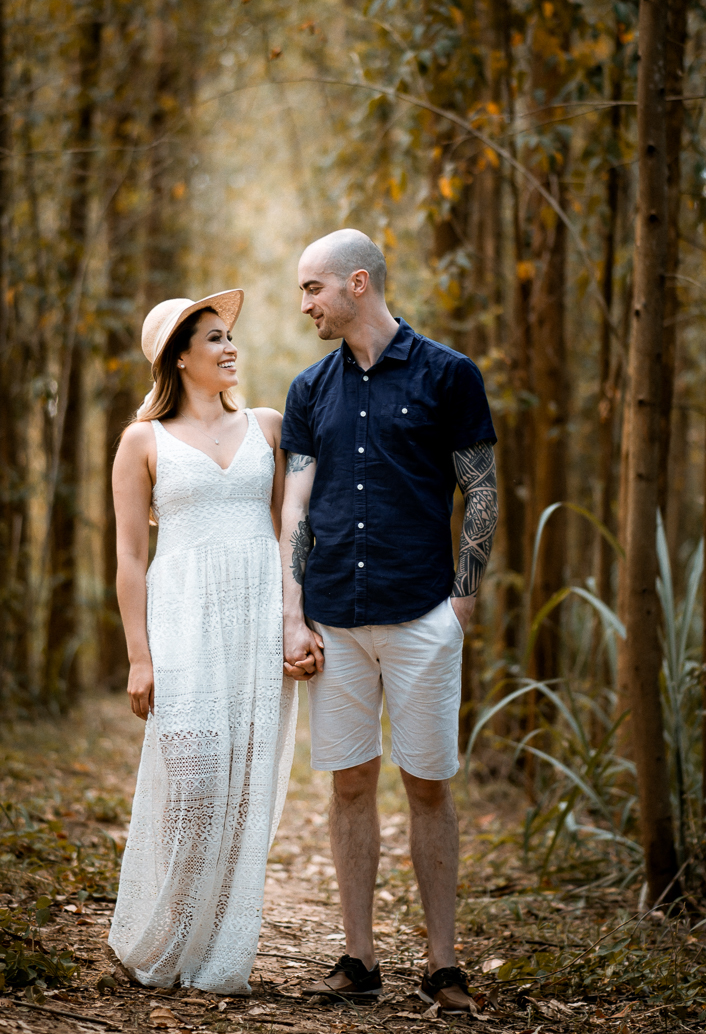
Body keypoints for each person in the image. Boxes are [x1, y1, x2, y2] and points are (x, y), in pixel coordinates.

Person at [279, 230, 499, 1014]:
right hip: (334, 619)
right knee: (349, 788)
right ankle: (358, 959)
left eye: (313, 288)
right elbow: (296, 510)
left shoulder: (449, 375)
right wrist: (291, 615)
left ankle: (444, 967)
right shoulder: (309, 391)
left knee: (429, 787)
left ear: (358, 284)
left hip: (421, 614)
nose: (305, 303)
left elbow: (480, 489)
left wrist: (462, 598)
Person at [108, 291, 298, 995]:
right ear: (178, 357)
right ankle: (159, 938)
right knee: (192, 780)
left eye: (229, 337)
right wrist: (139, 655)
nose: (229, 348)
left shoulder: (269, 426)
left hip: (254, 620)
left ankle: (219, 952)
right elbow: (129, 557)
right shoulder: (142, 441)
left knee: (242, 788)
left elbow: (290, 531)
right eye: (213, 339)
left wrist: (294, 621)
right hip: (182, 620)